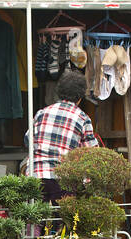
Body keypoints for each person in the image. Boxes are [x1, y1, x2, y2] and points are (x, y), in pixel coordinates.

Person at [29, 71, 103, 202]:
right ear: (80, 97)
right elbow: (91, 153)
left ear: (59, 92)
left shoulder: (42, 113)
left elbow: (28, 139)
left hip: (36, 174)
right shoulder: (82, 118)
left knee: (38, 218)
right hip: (63, 178)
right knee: (63, 219)